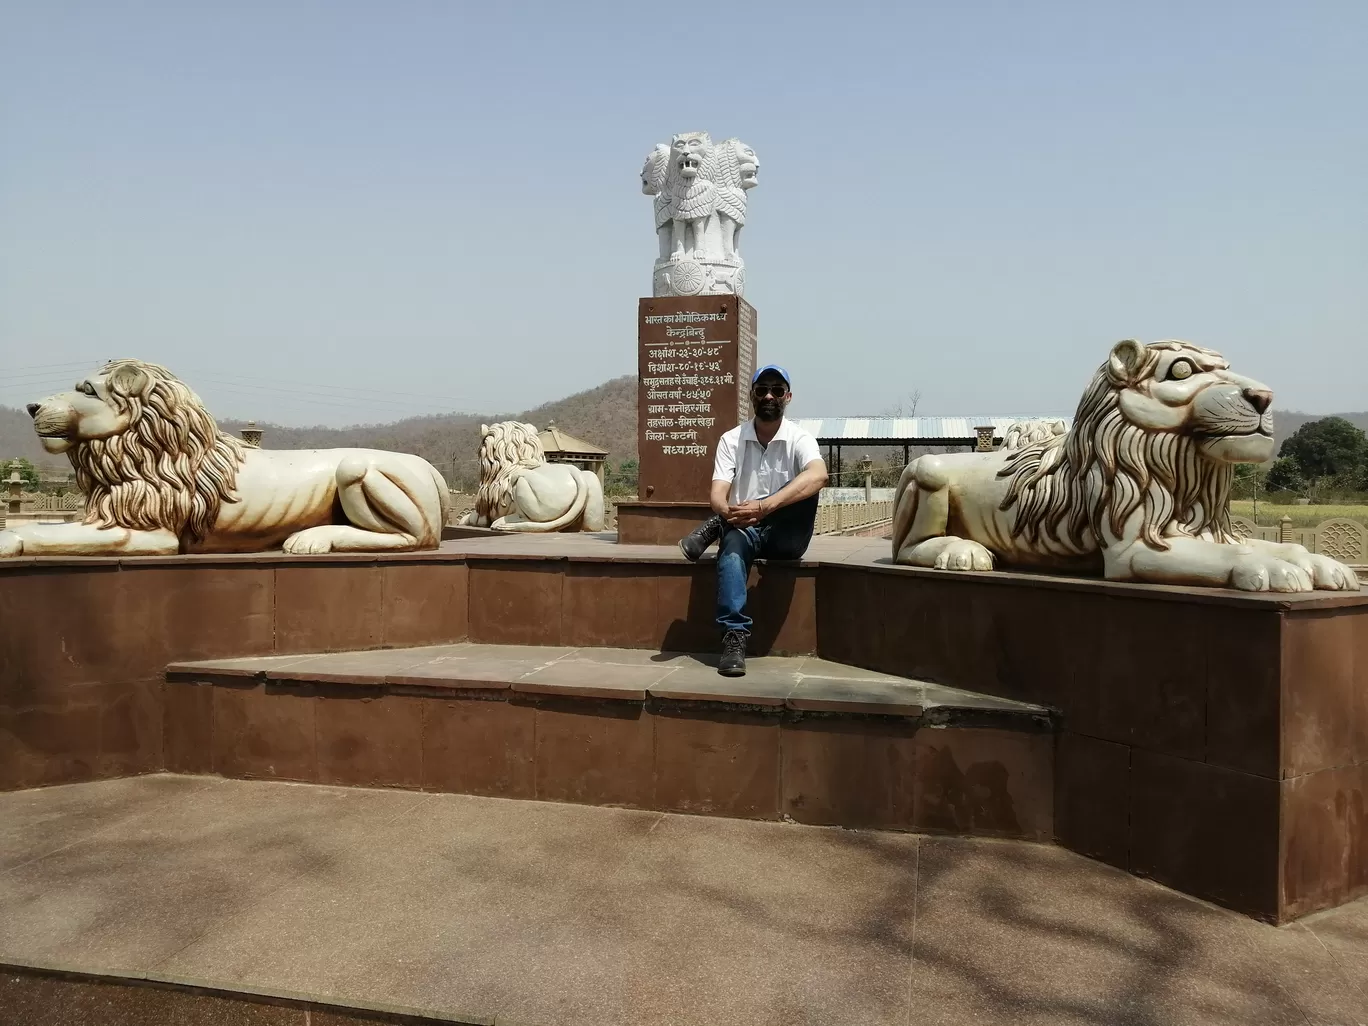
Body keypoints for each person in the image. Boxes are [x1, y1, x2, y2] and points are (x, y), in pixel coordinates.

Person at [677, 365, 827, 676]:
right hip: (744, 529)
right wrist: (728, 512)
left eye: (776, 389)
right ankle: (734, 638)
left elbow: (819, 474)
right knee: (731, 548)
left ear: (788, 396)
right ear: (751, 396)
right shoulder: (731, 439)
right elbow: (718, 495)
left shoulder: (800, 438)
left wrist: (765, 506)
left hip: (787, 534)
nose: (769, 395)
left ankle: (715, 527)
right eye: (762, 390)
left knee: (805, 487)